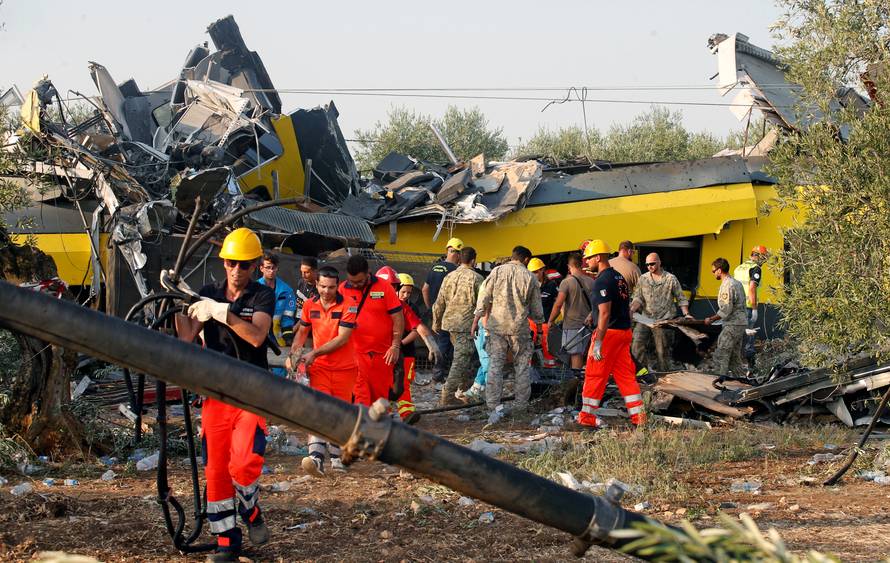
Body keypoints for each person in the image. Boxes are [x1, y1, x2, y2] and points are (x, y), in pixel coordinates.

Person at [174, 227, 272, 562]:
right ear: (224, 262)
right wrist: (178, 301)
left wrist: (221, 312)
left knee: (243, 462)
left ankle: (251, 510)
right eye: (232, 263)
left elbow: (258, 337)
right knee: (216, 470)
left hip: (251, 393)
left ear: (255, 265)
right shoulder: (208, 291)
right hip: (215, 393)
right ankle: (227, 543)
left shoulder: (261, 296)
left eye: (244, 264)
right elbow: (187, 340)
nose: (237, 270)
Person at [286, 266, 357, 477]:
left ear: (338, 285)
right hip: (320, 369)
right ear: (316, 285)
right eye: (323, 286)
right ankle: (316, 457)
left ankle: (337, 457)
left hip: (346, 369)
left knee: (338, 413)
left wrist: (313, 353)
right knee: (319, 411)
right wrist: (294, 355)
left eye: (332, 287)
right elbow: (301, 333)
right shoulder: (309, 305)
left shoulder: (349, 306)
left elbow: (342, 338)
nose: (327, 291)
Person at [577, 239, 645, 429]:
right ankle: (639, 418)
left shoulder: (602, 280)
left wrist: (598, 341)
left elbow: (605, 313)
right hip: (624, 332)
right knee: (626, 376)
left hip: (609, 335)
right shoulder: (618, 277)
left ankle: (587, 418)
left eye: (589, 258)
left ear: (598, 257)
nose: (586, 261)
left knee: (594, 374)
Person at [473, 245, 544, 425]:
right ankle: (520, 407)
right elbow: (537, 309)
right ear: (526, 259)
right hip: (519, 330)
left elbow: (483, 297)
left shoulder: (496, 272)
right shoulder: (530, 277)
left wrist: (477, 318)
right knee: (521, 368)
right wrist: (540, 328)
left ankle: (493, 406)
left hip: (496, 328)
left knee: (495, 367)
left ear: (513, 256)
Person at [375, 269, 440, 424]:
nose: (395, 292)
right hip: (371, 354)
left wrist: (432, 345)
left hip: (395, 353)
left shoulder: (400, 306)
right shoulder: (361, 300)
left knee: (398, 385)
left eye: (394, 287)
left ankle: (397, 414)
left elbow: (418, 327)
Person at [339, 255, 404, 406]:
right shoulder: (342, 289)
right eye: (352, 281)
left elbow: (398, 318)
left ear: (368, 272)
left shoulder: (384, 287)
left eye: (359, 281)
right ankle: (362, 427)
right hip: (354, 355)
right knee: (360, 397)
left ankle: (376, 427)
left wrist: (395, 346)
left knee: (380, 400)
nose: (355, 285)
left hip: (382, 355)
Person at [432, 246, 483, 405]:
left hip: (450, 323)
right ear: (474, 260)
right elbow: (483, 304)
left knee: (462, 357)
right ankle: (447, 395)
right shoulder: (477, 278)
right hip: (465, 324)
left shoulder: (449, 277)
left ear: (460, 259)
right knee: (461, 360)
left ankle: (462, 389)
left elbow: (439, 301)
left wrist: (436, 322)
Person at [629, 253, 691, 372]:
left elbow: (681, 298)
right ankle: (641, 373)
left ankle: (664, 375)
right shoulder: (643, 278)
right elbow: (638, 298)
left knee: (662, 351)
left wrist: (686, 314)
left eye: (652, 264)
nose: (649, 267)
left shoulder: (670, 278)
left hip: (663, 320)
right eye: (647, 264)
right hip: (646, 319)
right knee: (636, 345)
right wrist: (631, 310)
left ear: (659, 262)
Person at [422, 237, 463, 382]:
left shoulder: (434, 267)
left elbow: (424, 289)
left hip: (435, 312)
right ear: (458, 254)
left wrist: (430, 308)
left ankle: (440, 373)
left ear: (447, 250)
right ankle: (439, 374)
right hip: (450, 314)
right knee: (448, 343)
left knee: (440, 340)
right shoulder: (456, 270)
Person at [548, 252, 595, 371]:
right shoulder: (591, 281)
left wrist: (550, 320)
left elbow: (558, 304)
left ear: (569, 266)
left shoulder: (567, 282)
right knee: (584, 354)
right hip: (588, 325)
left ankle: (576, 381)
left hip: (572, 325)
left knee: (575, 354)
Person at [704, 257, 748, 376]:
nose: (713, 274)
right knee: (734, 357)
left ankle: (718, 382)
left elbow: (725, 309)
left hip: (732, 324)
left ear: (719, 270)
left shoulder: (727, 285)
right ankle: (743, 382)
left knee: (721, 354)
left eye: (713, 271)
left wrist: (711, 319)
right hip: (740, 323)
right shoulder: (737, 283)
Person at [257, 252, 296, 377]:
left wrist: (288, 337)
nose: (271, 270)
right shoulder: (254, 289)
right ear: (261, 268)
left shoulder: (287, 291)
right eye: (268, 267)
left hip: (278, 340)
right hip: (257, 336)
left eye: (274, 267)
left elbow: (287, 317)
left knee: (279, 374)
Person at [733, 245, 767, 373]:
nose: (764, 261)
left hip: (736, 307)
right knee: (749, 336)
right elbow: (752, 288)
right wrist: (754, 309)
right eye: (763, 258)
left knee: (737, 336)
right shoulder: (755, 268)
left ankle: (735, 365)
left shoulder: (739, 268)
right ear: (758, 257)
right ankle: (750, 367)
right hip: (747, 307)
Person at [527, 257, 559, 368]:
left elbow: (558, 303)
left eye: (536, 272)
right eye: (532, 272)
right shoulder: (527, 285)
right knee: (528, 347)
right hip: (531, 322)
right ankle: (528, 371)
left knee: (547, 349)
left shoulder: (551, 286)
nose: (534, 274)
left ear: (542, 270)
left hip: (546, 322)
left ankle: (550, 371)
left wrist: (554, 320)